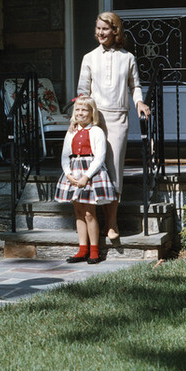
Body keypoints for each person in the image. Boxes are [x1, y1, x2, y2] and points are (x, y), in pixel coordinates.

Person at [76, 11, 150, 240]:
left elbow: (134, 85)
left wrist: (139, 101)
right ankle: (91, 222)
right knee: (94, 168)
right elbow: (82, 92)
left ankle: (112, 223)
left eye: (105, 29)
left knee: (114, 169)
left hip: (118, 118)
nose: (100, 33)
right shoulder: (89, 57)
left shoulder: (127, 58)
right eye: (98, 28)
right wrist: (78, 121)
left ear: (115, 31)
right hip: (95, 120)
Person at [55, 96, 117, 264]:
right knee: (79, 213)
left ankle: (94, 251)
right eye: (78, 110)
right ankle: (82, 249)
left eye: (84, 110)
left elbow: (100, 157)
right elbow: (65, 155)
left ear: (92, 113)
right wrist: (68, 174)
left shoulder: (96, 131)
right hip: (74, 171)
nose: (80, 113)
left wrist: (86, 177)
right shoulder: (72, 131)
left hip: (90, 173)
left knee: (89, 213)